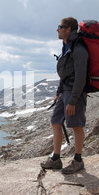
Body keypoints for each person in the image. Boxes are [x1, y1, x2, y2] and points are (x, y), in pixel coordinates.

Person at [41, 17, 89, 174]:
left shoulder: (79, 49)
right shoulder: (67, 46)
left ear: (68, 29)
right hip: (65, 91)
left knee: (76, 125)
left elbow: (81, 77)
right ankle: (56, 159)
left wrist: (73, 100)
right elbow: (65, 73)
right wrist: (58, 92)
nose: (57, 29)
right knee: (56, 120)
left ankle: (78, 160)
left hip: (75, 92)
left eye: (60, 27)